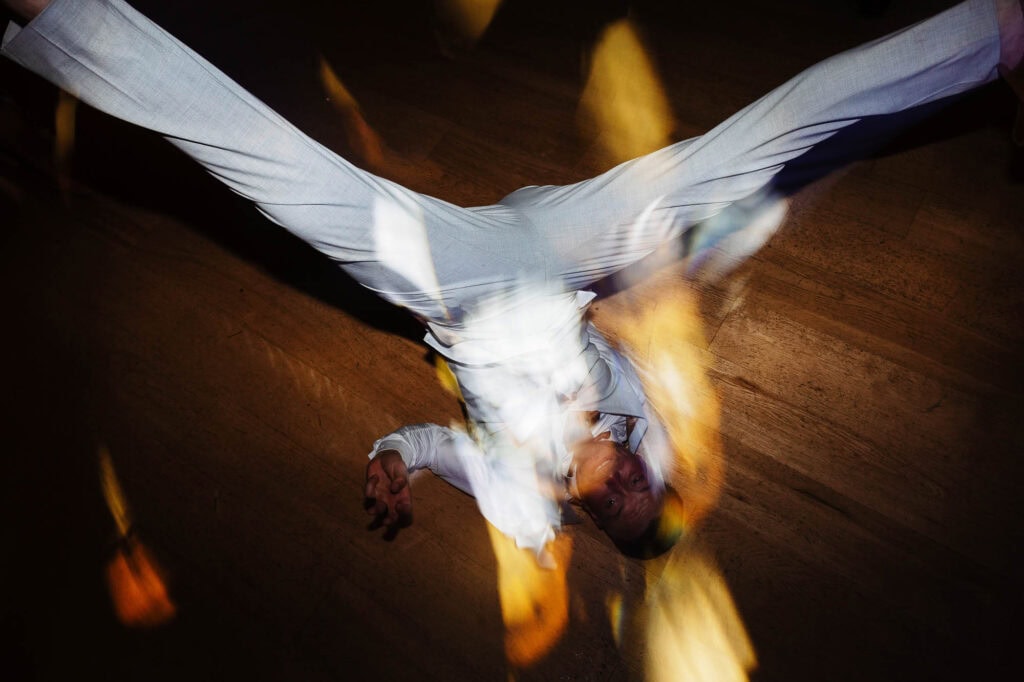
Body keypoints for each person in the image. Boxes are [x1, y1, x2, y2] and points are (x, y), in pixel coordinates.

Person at [3, 0, 1021, 560]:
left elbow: (428, 440)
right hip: (569, 254)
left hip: (450, 283)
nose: (630, 480)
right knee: (741, 150)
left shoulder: (518, 497)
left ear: (587, 517)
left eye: (620, 504)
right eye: (645, 482)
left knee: (273, 172)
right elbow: (662, 344)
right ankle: (998, 33)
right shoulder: (639, 423)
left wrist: (391, 460)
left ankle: (58, 14)